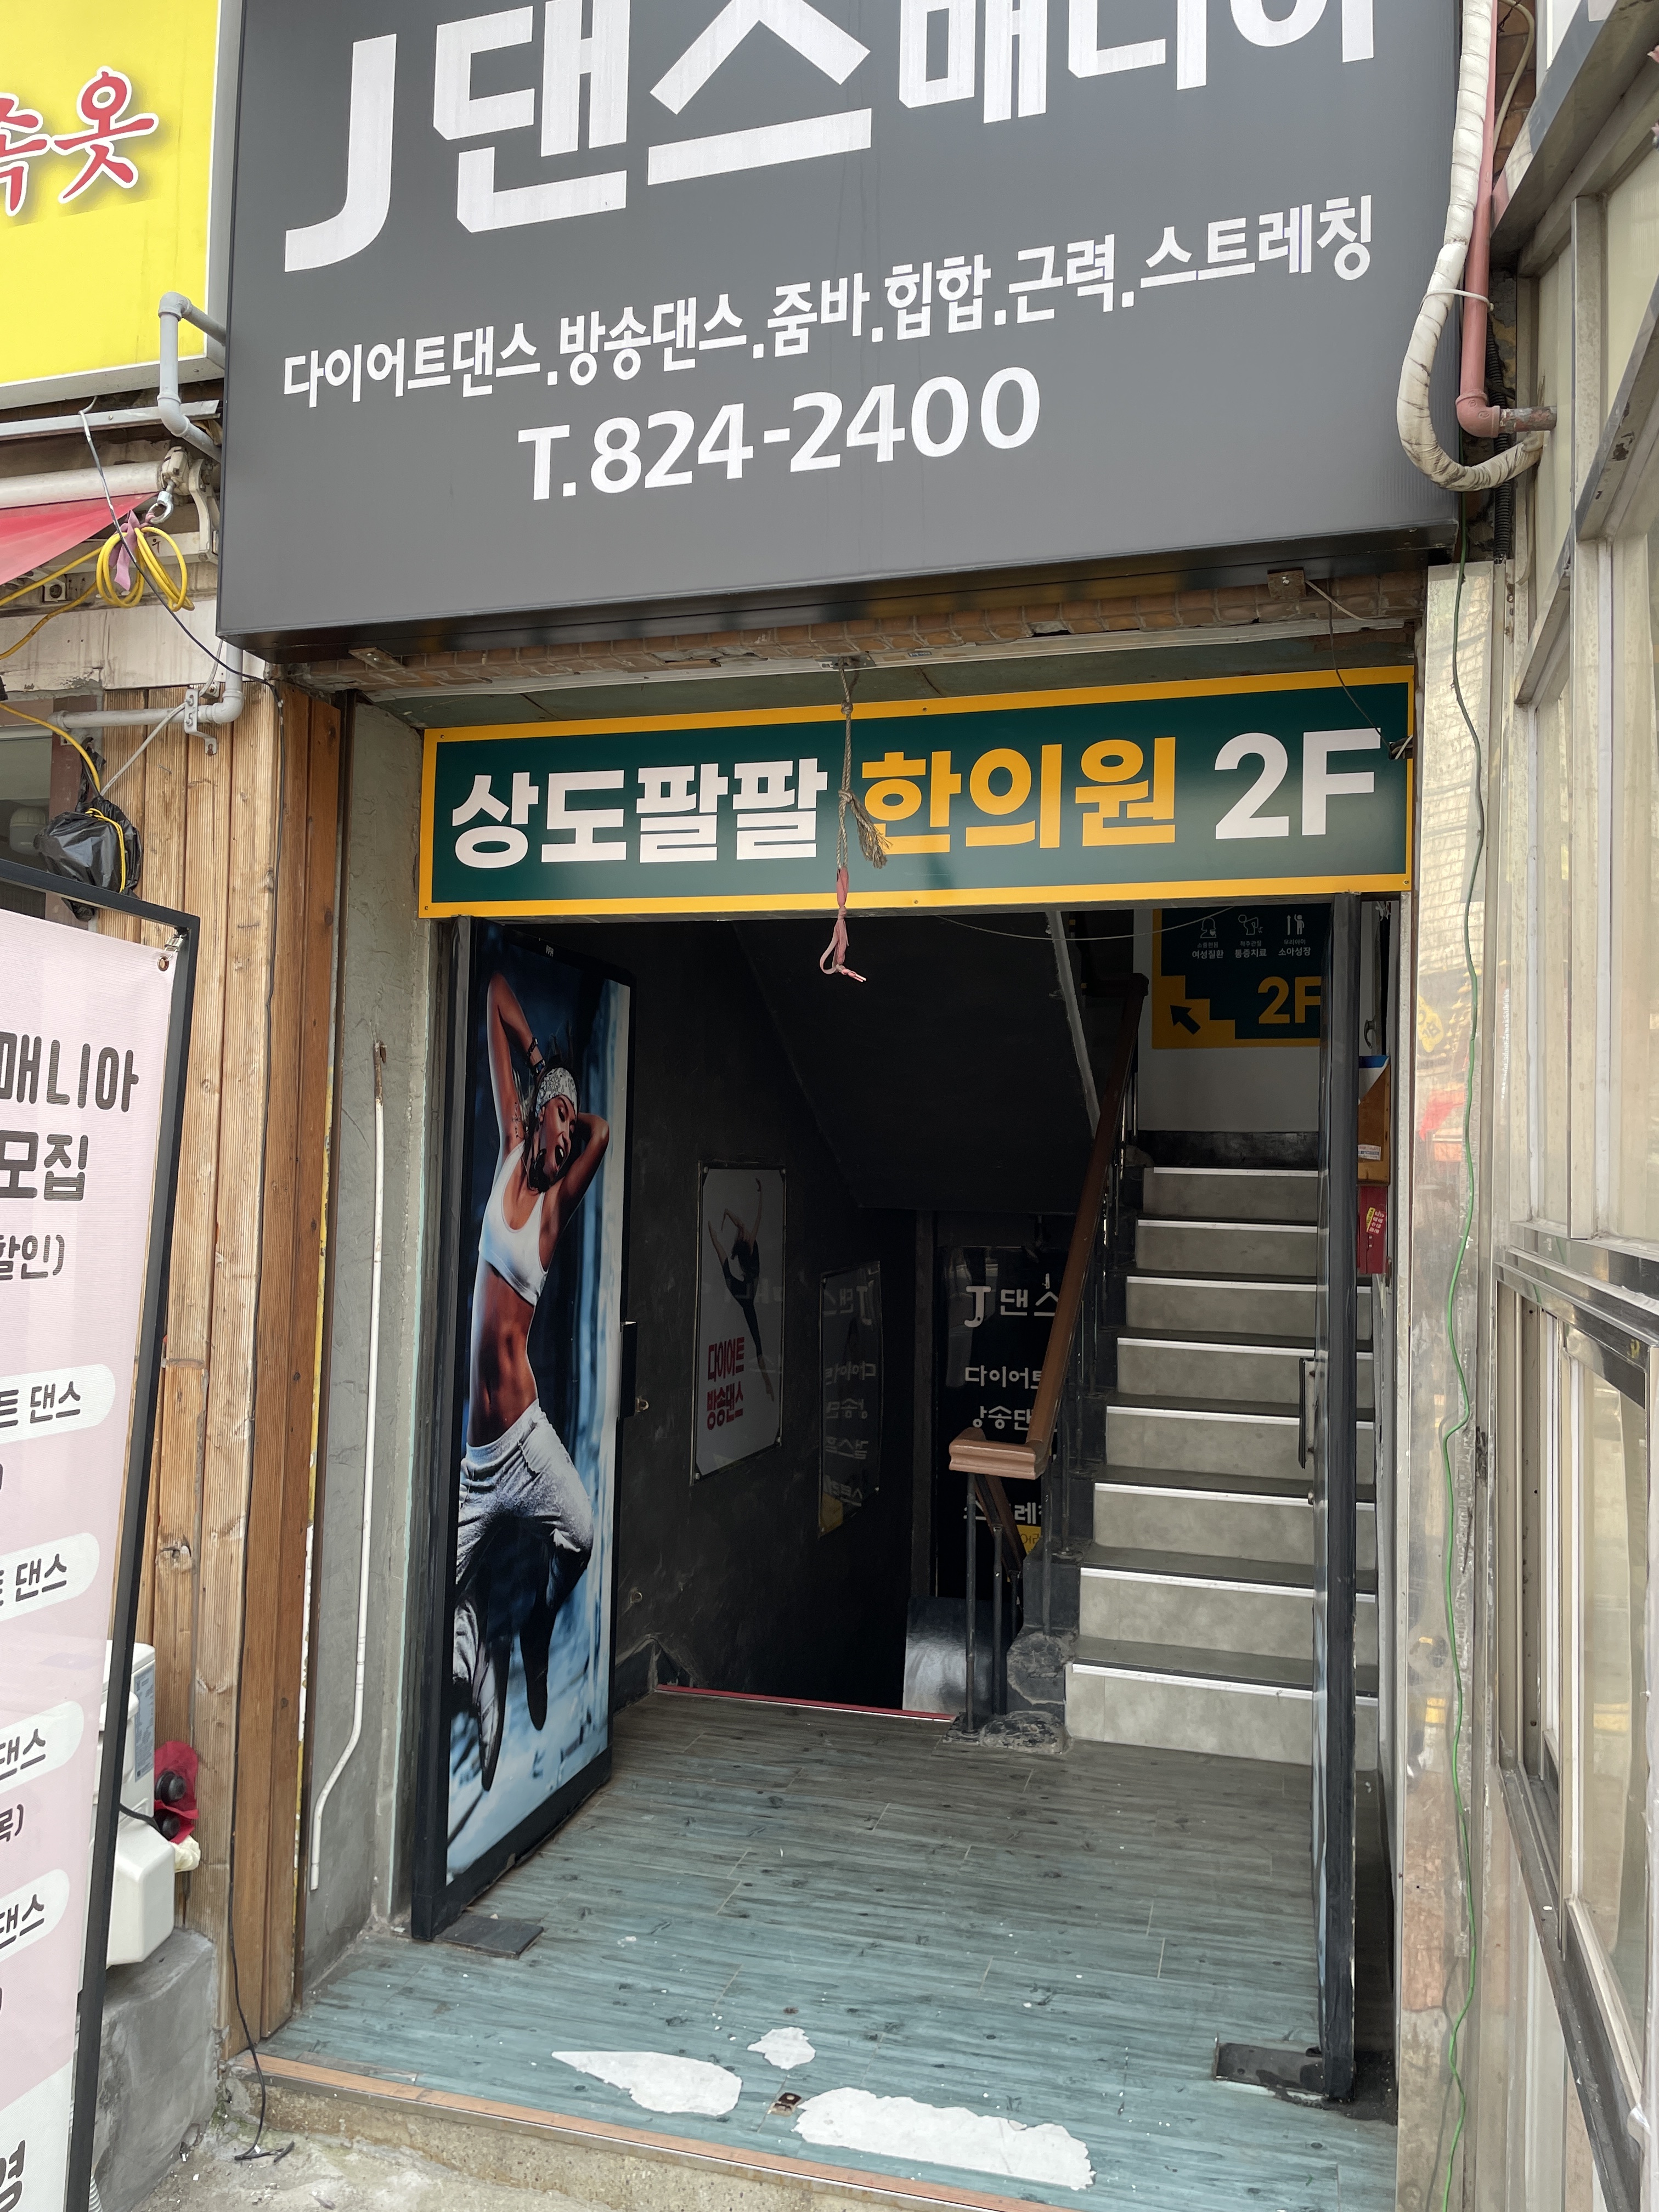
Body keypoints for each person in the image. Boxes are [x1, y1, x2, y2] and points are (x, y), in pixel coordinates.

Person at [452, 970, 609, 1791]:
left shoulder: (554, 1208)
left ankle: (540, 1625)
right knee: (441, 1598)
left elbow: (603, 1132)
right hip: (477, 1464)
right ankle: (482, 1661)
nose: (566, 1139)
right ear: (536, 1113)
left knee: (580, 1539)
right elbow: (495, 995)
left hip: (526, 1441)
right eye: (558, 1122)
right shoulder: (511, 1151)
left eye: (567, 1132)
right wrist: (542, 1067)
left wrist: (569, 1110)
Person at [707, 1177, 774, 1401]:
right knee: (758, 1343)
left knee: (726, 1272)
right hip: (748, 1296)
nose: (744, 1229)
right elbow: (757, 1218)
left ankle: (714, 1239)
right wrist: (762, 1194)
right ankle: (767, 1382)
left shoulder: (746, 1248)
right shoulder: (751, 1244)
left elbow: (741, 1224)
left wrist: (727, 1213)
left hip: (743, 1295)